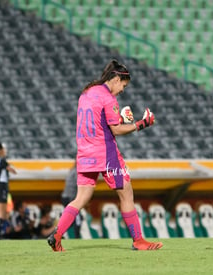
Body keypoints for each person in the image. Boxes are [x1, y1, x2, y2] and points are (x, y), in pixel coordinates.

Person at [47, 59, 162, 251]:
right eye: (122, 87)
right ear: (116, 79)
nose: (121, 91)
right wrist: (142, 124)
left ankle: (57, 235)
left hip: (84, 154)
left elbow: (99, 122)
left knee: (81, 197)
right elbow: (115, 130)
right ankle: (138, 241)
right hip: (106, 154)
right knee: (127, 194)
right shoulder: (109, 98)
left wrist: (121, 118)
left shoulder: (86, 93)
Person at [0, 142, 17, 240]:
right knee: (1, 214)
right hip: (1, 186)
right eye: (4, 149)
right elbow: (11, 169)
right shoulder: (0, 160)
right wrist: (12, 169)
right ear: (0, 150)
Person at [61, 161, 81, 238]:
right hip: (71, 198)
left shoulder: (71, 171)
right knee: (77, 218)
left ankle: (59, 233)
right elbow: (80, 184)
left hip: (65, 197)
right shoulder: (76, 171)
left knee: (70, 218)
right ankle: (77, 237)